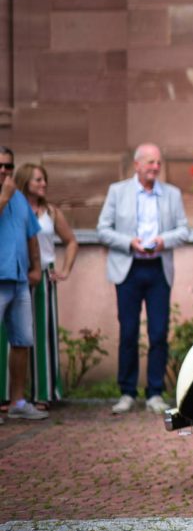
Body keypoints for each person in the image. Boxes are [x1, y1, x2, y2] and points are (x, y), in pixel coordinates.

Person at [97, 143, 190, 415]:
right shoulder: (118, 191)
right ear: (137, 165)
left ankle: (155, 393)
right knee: (128, 332)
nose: (155, 167)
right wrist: (130, 242)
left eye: (158, 162)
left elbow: (184, 230)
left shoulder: (172, 194)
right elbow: (103, 229)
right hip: (128, 269)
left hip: (158, 269)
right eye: (150, 162)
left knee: (158, 333)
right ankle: (127, 393)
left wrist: (163, 240)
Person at [15, 163, 78, 408]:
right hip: (16, 274)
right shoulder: (11, 208)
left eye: (44, 179)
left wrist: (65, 270)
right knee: (9, 335)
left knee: (43, 335)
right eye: (38, 180)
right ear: (25, 182)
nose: (44, 184)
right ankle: (8, 395)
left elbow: (71, 241)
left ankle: (44, 392)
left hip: (44, 276)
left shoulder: (50, 212)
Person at [0, 146, 47, 422]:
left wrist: (36, 267)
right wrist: (3, 198)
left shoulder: (18, 197)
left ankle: (17, 401)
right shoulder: (9, 195)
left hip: (19, 279)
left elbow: (31, 235)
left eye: (8, 166)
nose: (4, 170)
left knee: (22, 341)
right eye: (0, 166)